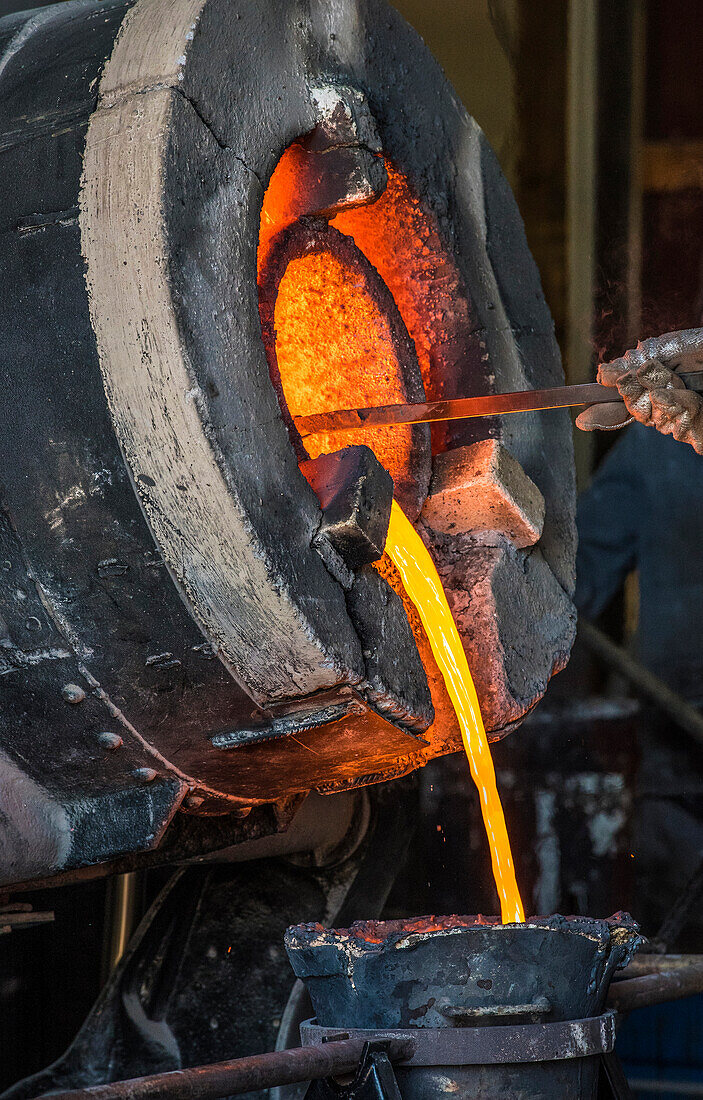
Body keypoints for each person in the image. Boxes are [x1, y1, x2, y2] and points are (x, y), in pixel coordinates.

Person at [575, 328, 703, 940]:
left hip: (678, 740)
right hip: (678, 746)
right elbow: (578, 576)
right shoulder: (656, 449)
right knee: (672, 954)